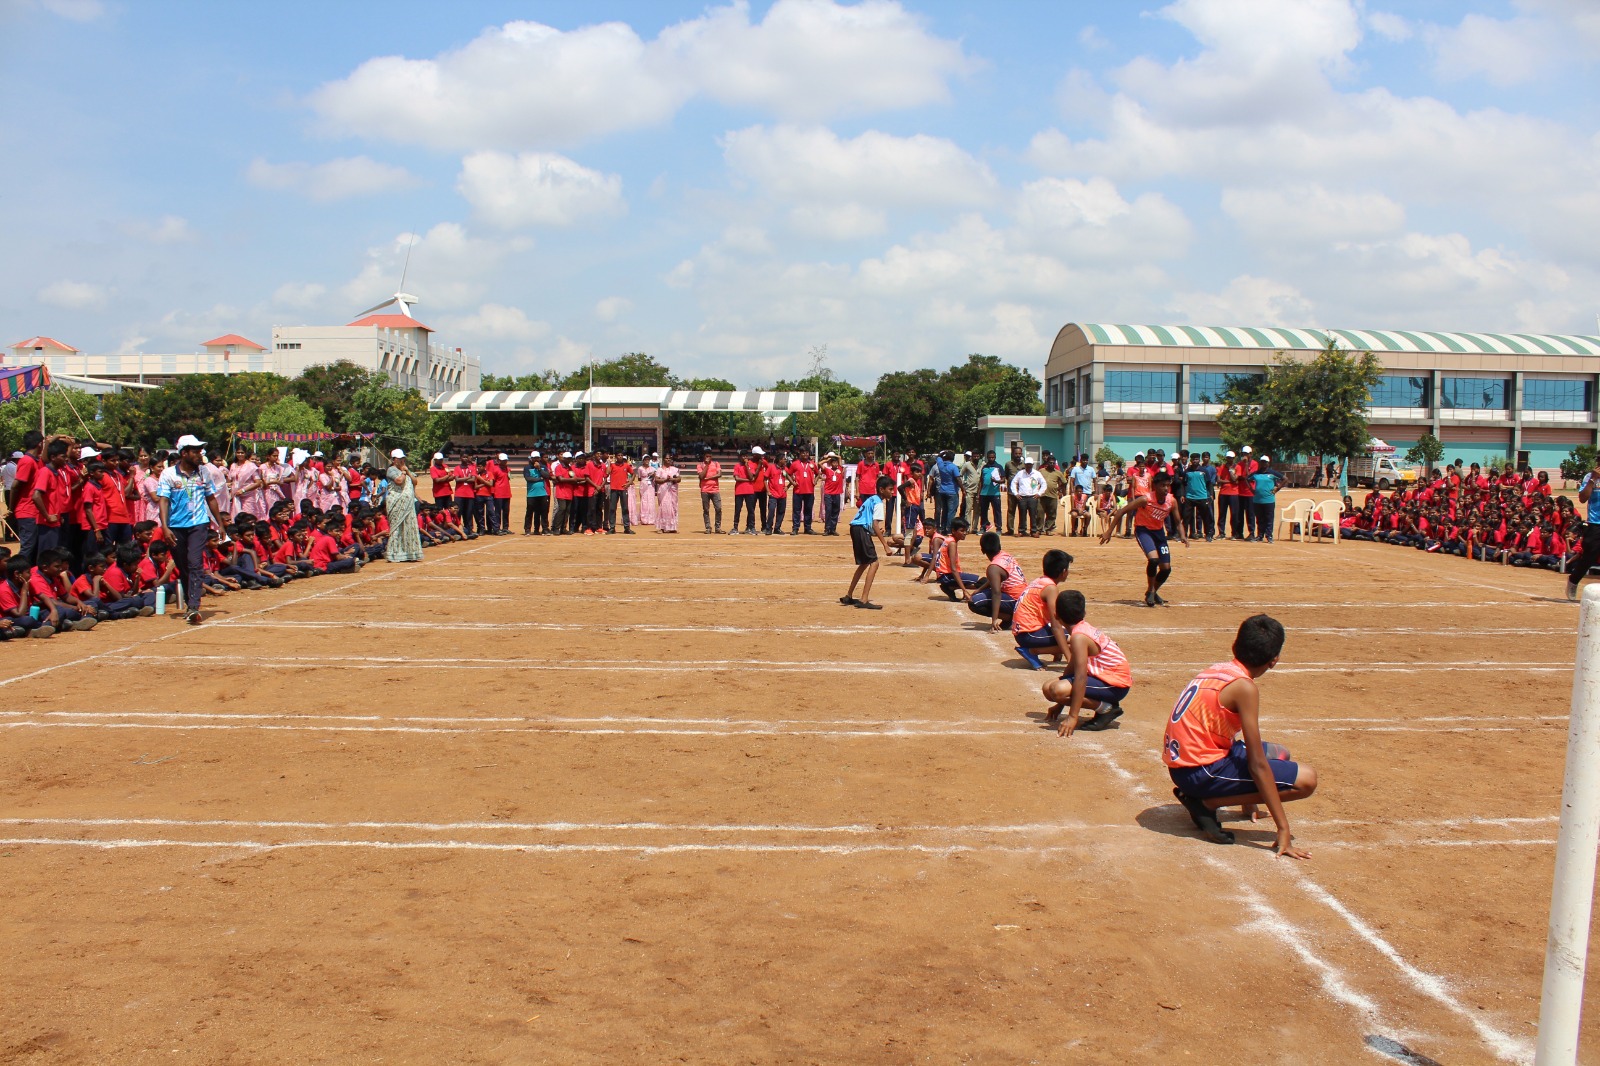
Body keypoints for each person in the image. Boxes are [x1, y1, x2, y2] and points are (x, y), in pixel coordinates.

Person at [1163, 614, 1316, 857]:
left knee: (1280, 754)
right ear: (1274, 660)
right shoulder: (1244, 687)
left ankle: (1220, 798)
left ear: (1236, 645)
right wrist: (1283, 829)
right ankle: (1207, 803)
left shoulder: (1219, 670)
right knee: (1306, 779)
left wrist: (1248, 798)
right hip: (1199, 771)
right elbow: (1256, 764)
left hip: (1188, 763)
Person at [156, 434, 230, 625]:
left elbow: (211, 498)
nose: (199, 454)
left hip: (198, 523)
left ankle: (194, 606)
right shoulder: (169, 474)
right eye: (195, 451)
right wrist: (164, 527)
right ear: (184, 453)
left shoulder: (204, 472)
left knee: (195, 562)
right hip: (175, 526)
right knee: (183, 566)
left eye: (200, 450)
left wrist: (220, 524)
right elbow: (163, 501)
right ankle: (190, 603)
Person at [1043, 589, 1132, 736]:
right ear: (1083, 613)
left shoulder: (1079, 637)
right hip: (1108, 680)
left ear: (1056, 616)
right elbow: (1072, 666)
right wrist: (1060, 705)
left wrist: (1072, 716)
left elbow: (1080, 677)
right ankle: (1104, 706)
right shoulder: (1080, 631)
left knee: (1057, 690)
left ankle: (1107, 709)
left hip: (1115, 684)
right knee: (1049, 688)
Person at [1101, 468, 1186, 608]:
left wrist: (1182, 535)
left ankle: (1152, 591)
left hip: (1159, 533)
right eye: (1162, 485)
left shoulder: (1172, 501)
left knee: (1166, 568)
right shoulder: (1146, 499)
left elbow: (1177, 521)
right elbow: (1122, 511)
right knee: (1153, 559)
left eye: (1167, 485)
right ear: (1155, 486)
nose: (1166, 488)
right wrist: (1109, 531)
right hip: (1143, 531)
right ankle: (1151, 591)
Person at [1010, 549, 1073, 667]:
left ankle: (1038, 650)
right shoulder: (1050, 588)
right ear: (1064, 571)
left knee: (1071, 638)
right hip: (1029, 634)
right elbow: (1056, 626)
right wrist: (1069, 659)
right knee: (1075, 641)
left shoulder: (1040, 581)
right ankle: (1032, 651)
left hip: (1023, 632)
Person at [841, 475, 893, 610]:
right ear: (882, 490)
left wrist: (873, 531)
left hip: (856, 528)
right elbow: (875, 524)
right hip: (861, 530)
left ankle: (849, 595)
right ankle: (864, 599)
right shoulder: (879, 503)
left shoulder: (871, 499)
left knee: (864, 563)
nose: (892, 492)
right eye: (890, 489)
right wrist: (886, 545)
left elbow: (868, 521)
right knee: (874, 563)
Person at [968, 531, 1027, 631]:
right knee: (983, 584)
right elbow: (995, 580)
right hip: (1023, 596)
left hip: (1015, 599)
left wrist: (994, 619)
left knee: (974, 602)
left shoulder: (993, 568)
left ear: (982, 550)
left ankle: (1010, 617)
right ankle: (1009, 616)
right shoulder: (1005, 555)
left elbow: (996, 593)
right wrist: (979, 589)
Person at [1567, 455, 1600, 601]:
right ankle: (1573, 581)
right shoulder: (1589, 477)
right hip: (1595, 524)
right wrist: (1593, 479)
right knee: (1589, 557)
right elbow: (1582, 498)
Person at [383, 449, 424, 563]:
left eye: (403, 458)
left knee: (409, 526)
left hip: (408, 504)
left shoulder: (405, 469)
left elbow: (415, 481)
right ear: (394, 460)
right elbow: (399, 481)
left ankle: (409, 552)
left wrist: (408, 472)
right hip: (396, 502)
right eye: (399, 459)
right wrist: (404, 472)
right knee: (397, 527)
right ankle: (394, 553)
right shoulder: (391, 470)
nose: (402, 460)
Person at [1249, 455, 1282, 543]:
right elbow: (1247, 479)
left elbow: (1285, 479)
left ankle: (1269, 536)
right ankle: (1260, 535)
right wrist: (1251, 489)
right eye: (1262, 462)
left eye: (1265, 462)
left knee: (1269, 518)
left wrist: (1277, 489)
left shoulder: (1272, 473)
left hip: (1269, 500)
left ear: (1268, 463)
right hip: (1257, 500)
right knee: (1259, 519)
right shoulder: (1256, 473)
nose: (1263, 463)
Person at [790, 453, 817, 534]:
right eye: (803, 453)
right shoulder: (795, 464)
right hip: (798, 490)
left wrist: (815, 481)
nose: (805, 454)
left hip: (809, 490)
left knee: (808, 510)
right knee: (796, 510)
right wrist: (792, 482)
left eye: (807, 453)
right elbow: (788, 473)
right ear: (800, 454)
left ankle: (808, 528)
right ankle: (795, 528)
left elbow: (818, 473)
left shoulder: (812, 464)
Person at [523, 453, 549, 535]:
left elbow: (547, 476)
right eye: (534, 458)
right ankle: (527, 529)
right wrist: (539, 479)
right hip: (531, 494)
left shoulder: (543, 467)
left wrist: (539, 469)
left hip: (542, 493)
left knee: (543, 512)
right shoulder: (527, 468)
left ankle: (544, 529)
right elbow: (528, 478)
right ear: (531, 458)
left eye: (537, 458)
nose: (536, 460)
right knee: (530, 512)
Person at [696, 453, 723, 534]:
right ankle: (708, 527)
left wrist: (708, 478)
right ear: (704, 457)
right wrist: (706, 466)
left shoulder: (716, 463)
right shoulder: (700, 465)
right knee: (706, 510)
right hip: (705, 490)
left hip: (715, 489)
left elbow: (719, 474)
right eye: (706, 456)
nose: (708, 458)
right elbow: (701, 476)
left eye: (710, 456)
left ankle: (717, 527)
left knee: (718, 508)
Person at [653, 455, 681, 533]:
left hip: (673, 490)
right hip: (663, 490)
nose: (668, 460)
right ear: (664, 459)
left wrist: (672, 479)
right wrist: (665, 480)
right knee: (664, 508)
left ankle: (672, 527)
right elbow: (656, 480)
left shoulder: (675, 469)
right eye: (666, 458)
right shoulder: (659, 470)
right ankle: (662, 527)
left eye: (669, 458)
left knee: (673, 508)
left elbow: (679, 479)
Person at [820, 453, 845, 535]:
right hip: (828, 494)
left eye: (836, 463)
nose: (835, 464)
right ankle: (827, 529)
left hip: (837, 493)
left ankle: (833, 529)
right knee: (828, 511)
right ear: (831, 464)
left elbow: (840, 457)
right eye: (833, 462)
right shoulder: (827, 470)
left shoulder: (840, 469)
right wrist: (827, 459)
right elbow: (819, 464)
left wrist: (836, 457)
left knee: (835, 511)